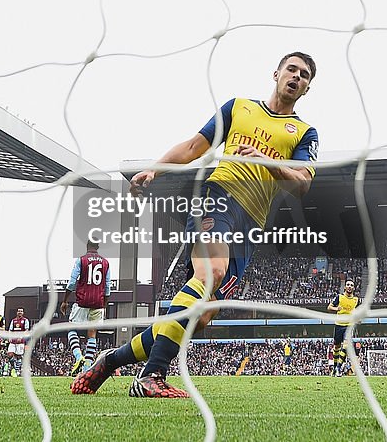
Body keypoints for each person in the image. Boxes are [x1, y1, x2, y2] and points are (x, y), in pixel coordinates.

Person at [72, 52, 319, 398]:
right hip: (217, 197)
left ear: (307, 88)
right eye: (291, 69)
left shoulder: (305, 133)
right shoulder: (239, 108)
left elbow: (302, 184)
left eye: (304, 75)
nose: (296, 76)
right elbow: (193, 147)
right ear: (276, 72)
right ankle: (151, 376)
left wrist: (268, 162)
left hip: (250, 224)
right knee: (211, 273)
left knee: (200, 316)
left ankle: (112, 360)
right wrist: (155, 168)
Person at [61, 239, 110, 375]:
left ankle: (78, 357)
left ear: (87, 246)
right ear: (98, 247)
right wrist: (103, 306)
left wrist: (65, 300)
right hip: (98, 303)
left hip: (82, 301)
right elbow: (108, 288)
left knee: (71, 328)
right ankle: (87, 368)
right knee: (92, 333)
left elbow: (72, 282)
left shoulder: (81, 260)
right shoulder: (105, 263)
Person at [327, 279, 359, 377]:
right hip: (339, 324)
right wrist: (337, 308)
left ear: (353, 288)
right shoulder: (339, 297)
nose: (349, 286)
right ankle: (335, 367)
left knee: (346, 345)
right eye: (348, 285)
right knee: (336, 347)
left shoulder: (356, 300)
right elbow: (329, 307)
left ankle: (338, 368)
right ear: (345, 287)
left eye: (351, 285)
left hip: (349, 325)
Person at [6, 307, 31, 377]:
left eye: (21, 311)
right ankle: (13, 368)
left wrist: (21, 337)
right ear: (17, 312)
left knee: (18, 356)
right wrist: (9, 337)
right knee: (9, 354)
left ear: (23, 313)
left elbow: (26, 330)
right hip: (13, 341)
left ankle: (17, 371)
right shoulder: (13, 321)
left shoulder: (25, 320)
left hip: (20, 342)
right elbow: (10, 330)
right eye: (19, 311)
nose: (20, 312)